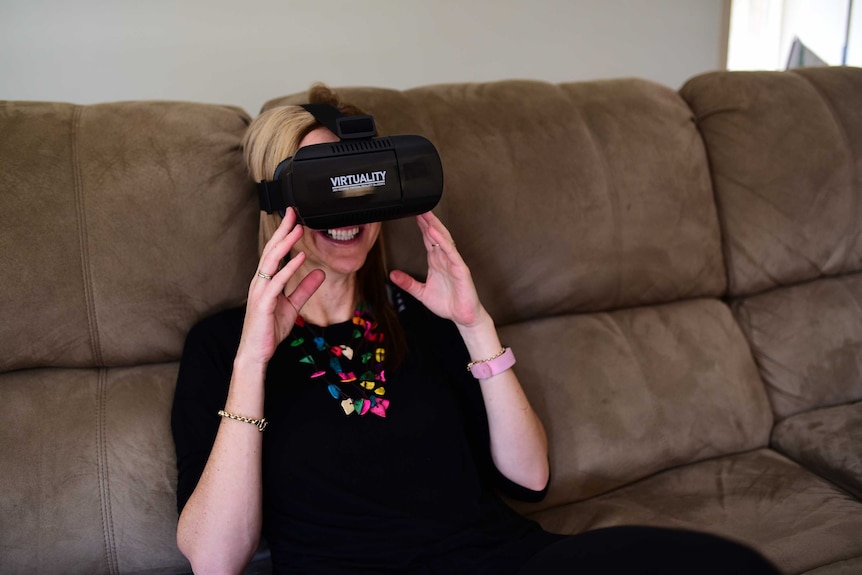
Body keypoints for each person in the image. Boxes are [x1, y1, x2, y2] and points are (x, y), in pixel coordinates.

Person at [171, 85, 781, 575]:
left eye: (364, 183)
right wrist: (252, 363)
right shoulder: (224, 346)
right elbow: (215, 560)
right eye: (327, 187)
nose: (350, 210)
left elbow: (530, 476)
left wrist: (475, 326)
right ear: (279, 201)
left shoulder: (421, 312)